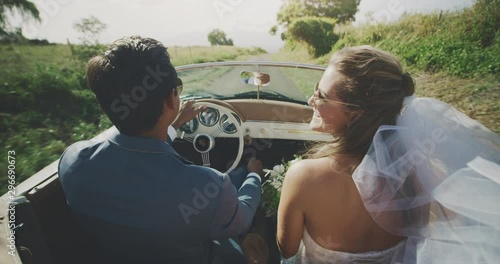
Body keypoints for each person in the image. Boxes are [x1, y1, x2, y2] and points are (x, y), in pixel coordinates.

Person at [277, 46, 500, 263]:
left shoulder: (303, 176)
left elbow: (287, 249)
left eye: (321, 95)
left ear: (355, 115)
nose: (311, 100)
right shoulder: (416, 173)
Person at [58, 36, 264, 264]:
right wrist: (254, 174)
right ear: (171, 99)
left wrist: (173, 126)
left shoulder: (73, 162)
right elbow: (241, 218)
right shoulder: (209, 186)